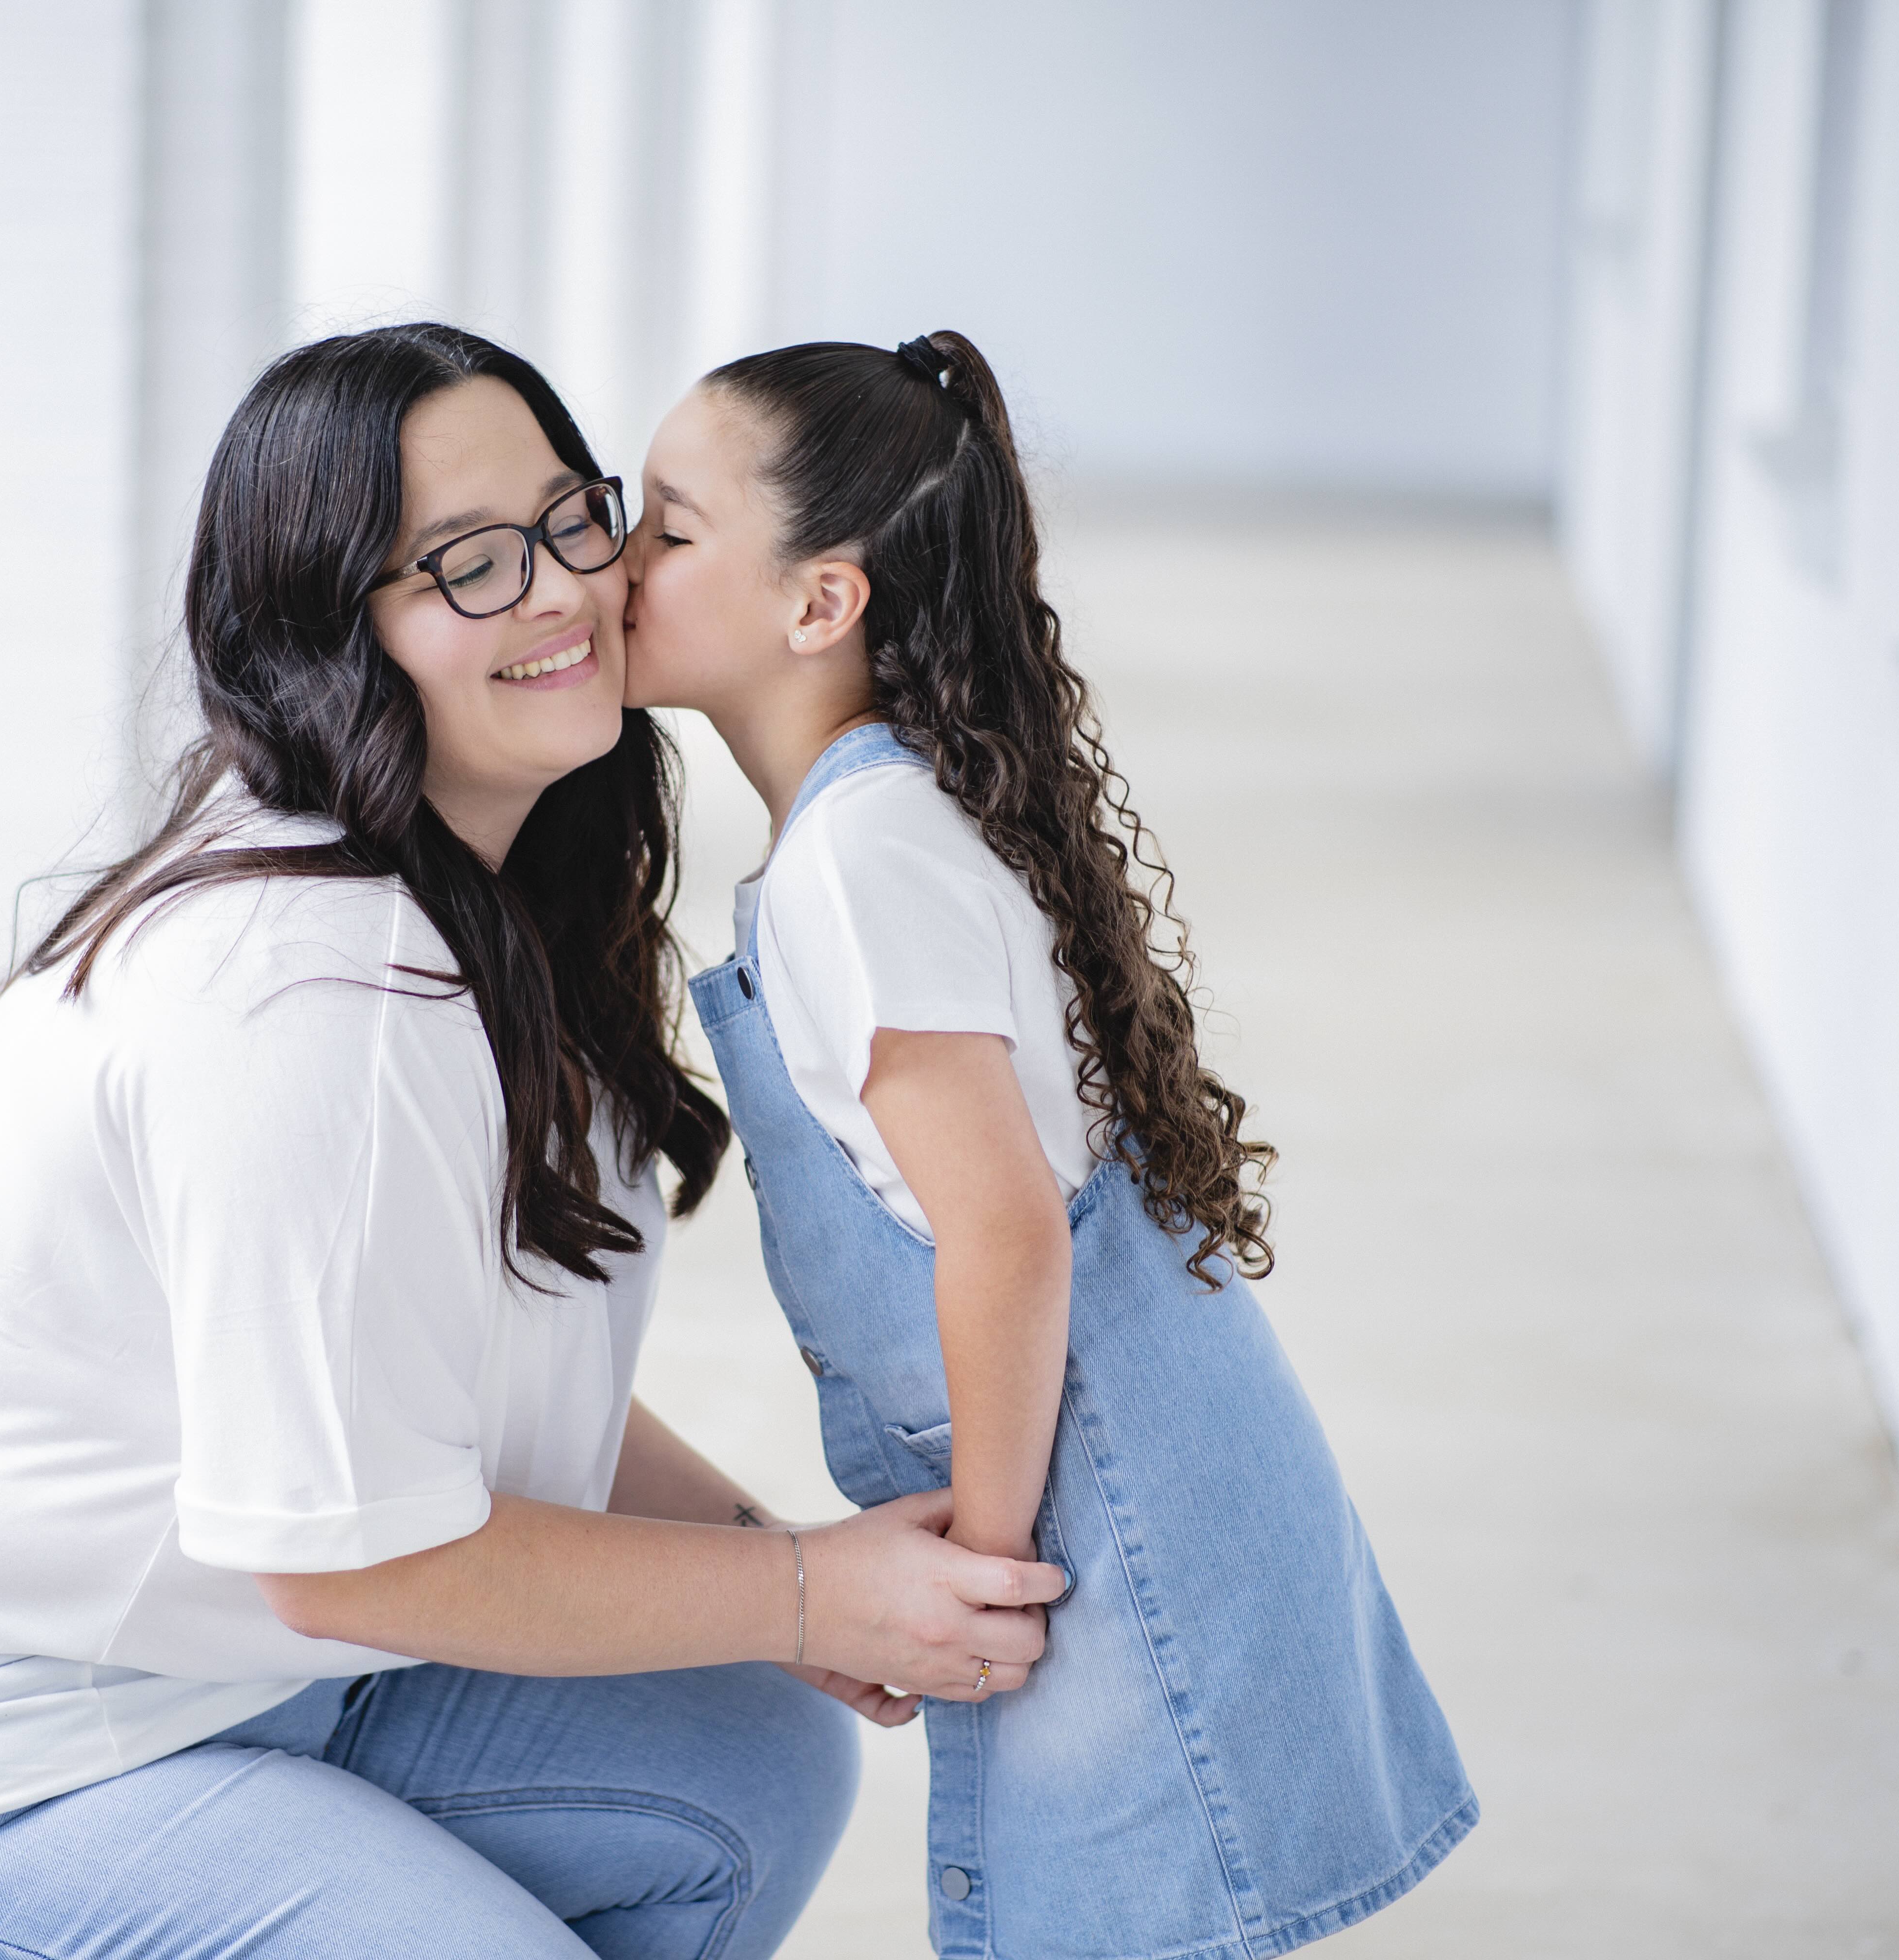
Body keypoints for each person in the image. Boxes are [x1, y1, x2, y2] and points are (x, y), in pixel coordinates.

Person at [0, 323, 1070, 1960]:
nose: (561, 590)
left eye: (576, 521)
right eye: (466, 569)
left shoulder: (490, 900)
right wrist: (810, 1594)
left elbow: (446, 1371)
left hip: (225, 1686)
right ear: (327, 637)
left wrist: (774, 1571)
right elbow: (353, 1569)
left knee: (745, 1756)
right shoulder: (305, 989)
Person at [620, 330, 1477, 1959]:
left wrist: (986, 1573)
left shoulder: (858, 861)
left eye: (668, 526)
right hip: (1122, 1485)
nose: (616, 553)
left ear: (821, 604)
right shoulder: (875, 822)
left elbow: (1005, 1228)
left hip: (1108, 1529)